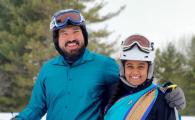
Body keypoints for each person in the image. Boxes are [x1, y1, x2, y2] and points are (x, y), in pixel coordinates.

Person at [15, 9, 185, 120]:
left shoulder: (104, 65)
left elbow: (135, 82)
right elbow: (36, 108)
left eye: (76, 31)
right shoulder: (48, 70)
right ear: (57, 40)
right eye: (64, 34)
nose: (71, 38)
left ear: (84, 35)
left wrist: (169, 90)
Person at [104, 34, 181, 120]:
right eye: (130, 66)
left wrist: (169, 89)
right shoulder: (110, 93)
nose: (135, 72)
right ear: (123, 69)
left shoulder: (162, 99)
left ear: (149, 69)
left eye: (141, 67)